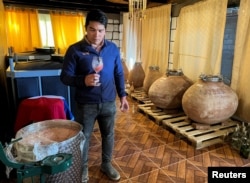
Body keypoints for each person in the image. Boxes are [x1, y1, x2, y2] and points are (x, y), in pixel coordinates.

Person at [60, 9, 129, 182]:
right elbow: (65, 77)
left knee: (109, 135)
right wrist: (84, 80)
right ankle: (82, 169)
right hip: (85, 104)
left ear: (105, 30)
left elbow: (119, 73)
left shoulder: (112, 48)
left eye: (100, 30)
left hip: (108, 102)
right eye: (92, 29)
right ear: (86, 28)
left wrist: (123, 96)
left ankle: (106, 164)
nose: (96, 34)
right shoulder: (75, 50)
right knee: (83, 138)